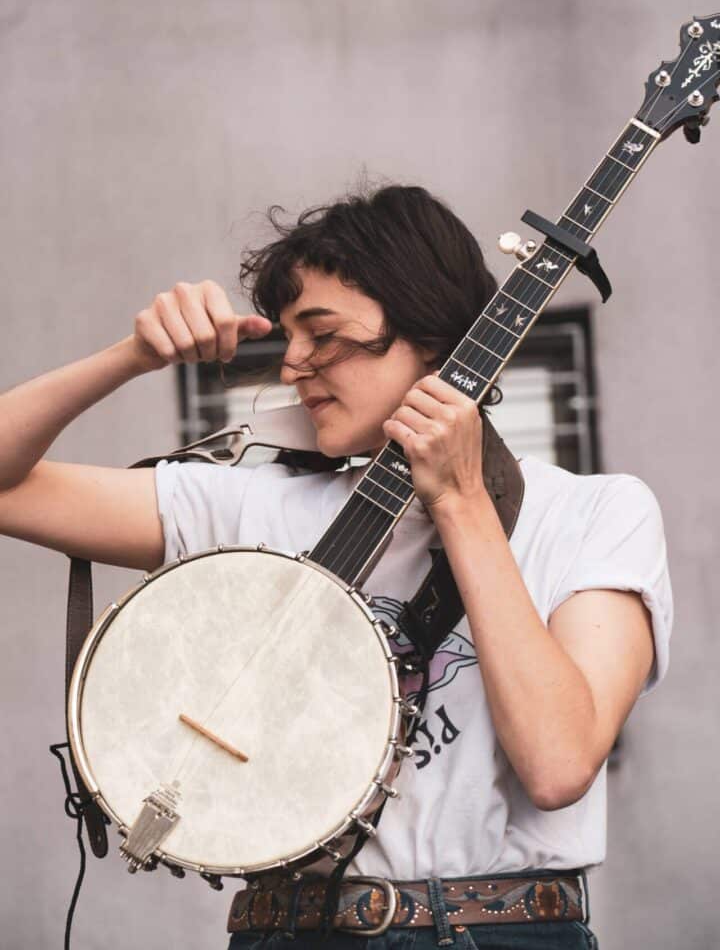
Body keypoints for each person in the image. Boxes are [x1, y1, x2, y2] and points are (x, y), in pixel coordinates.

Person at [0, 185, 671, 950]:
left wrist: (460, 503)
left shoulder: (596, 513)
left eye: (322, 335)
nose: (292, 365)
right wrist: (133, 356)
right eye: (286, 337)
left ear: (428, 332)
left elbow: (557, 765)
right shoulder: (249, 503)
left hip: (501, 929)